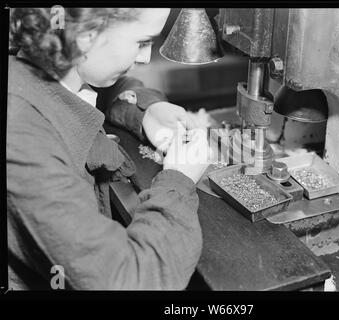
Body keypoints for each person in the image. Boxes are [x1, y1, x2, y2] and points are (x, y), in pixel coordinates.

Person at [7, 8, 210, 290]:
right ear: (86, 36)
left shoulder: (41, 65)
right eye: (141, 42)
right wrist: (178, 180)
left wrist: (147, 109)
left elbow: (93, 87)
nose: (144, 57)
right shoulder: (24, 139)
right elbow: (133, 280)